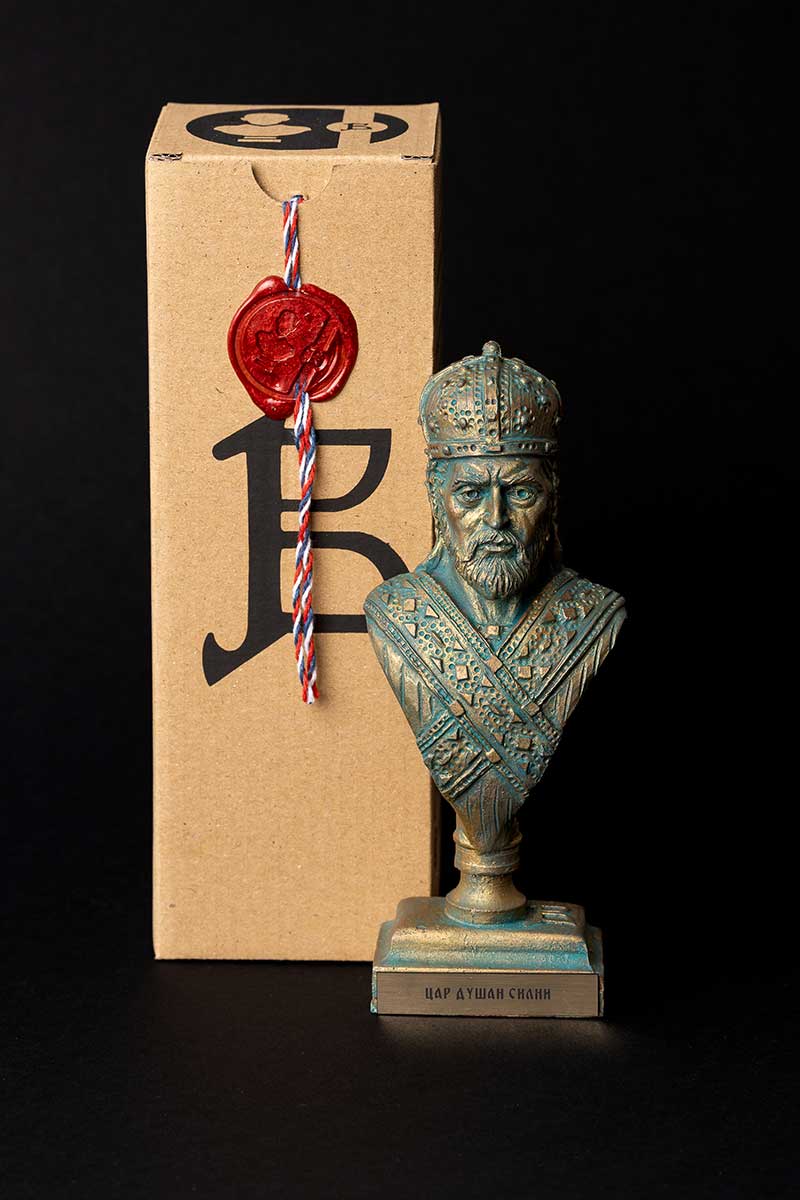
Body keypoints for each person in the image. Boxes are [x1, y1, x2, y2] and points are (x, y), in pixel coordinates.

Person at [364, 341, 626, 922]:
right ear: (437, 500)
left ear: (552, 498)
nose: (497, 519)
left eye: (521, 492)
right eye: (470, 494)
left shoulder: (591, 613)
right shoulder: (395, 613)